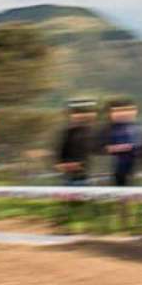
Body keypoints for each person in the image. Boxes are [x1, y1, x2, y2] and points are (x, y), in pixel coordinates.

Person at [103, 99, 142, 230]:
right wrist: (121, 148)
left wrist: (118, 148)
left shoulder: (137, 128)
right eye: (116, 111)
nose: (120, 114)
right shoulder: (110, 129)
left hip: (134, 169)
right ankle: (122, 225)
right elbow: (104, 147)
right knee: (119, 199)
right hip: (116, 169)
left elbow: (137, 145)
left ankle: (135, 224)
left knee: (135, 198)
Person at [56, 99, 96, 230]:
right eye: (75, 113)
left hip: (83, 172)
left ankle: (86, 224)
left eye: (80, 113)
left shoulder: (89, 131)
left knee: (84, 199)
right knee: (67, 199)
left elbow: (89, 152)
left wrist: (80, 164)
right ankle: (66, 224)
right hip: (69, 172)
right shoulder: (68, 131)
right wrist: (61, 164)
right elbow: (62, 150)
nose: (77, 116)